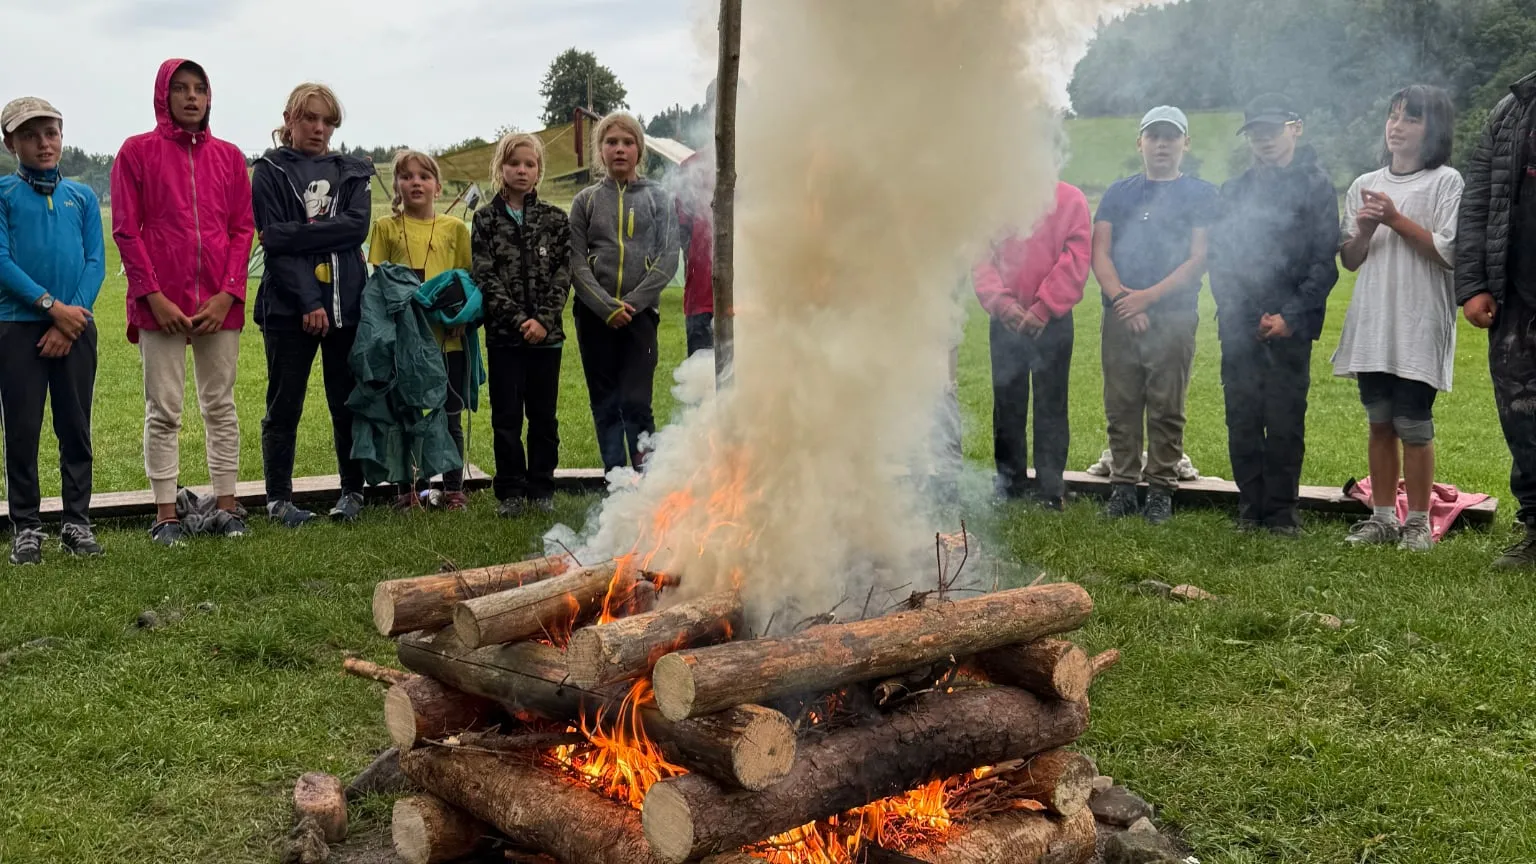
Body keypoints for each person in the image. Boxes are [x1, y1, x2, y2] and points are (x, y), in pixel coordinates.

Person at [112, 59, 256, 546]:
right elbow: (126, 231)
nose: (192, 97)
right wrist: (152, 297)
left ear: (210, 96)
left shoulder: (230, 158)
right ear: (163, 95)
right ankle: (165, 514)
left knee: (220, 405)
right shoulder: (136, 152)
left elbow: (242, 229)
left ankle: (228, 506)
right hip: (160, 305)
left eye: (200, 88)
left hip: (219, 303)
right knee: (164, 409)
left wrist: (228, 293)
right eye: (181, 88)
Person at [1335, 85, 1462, 552]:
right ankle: (1383, 517)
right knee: (1379, 422)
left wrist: (1394, 219)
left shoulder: (1446, 182)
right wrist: (1365, 229)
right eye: (1393, 116)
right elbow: (1351, 260)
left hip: (1419, 321)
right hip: (1375, 322)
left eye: (1411, 118)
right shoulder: (1365, 184)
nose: (1397, 126)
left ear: (1434, 128)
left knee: (1414, 423)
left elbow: (1448, 252)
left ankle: (1419, 523)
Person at [1209, 94, 1340, 536]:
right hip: (1240, 325)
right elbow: (1220, 261)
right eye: (1255, 133)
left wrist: (1289, 317)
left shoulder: (1317, 188)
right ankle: (1250, 508)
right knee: (1242, 417)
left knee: (1285, 420)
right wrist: (1248, 317)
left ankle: (1282, 512)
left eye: (1271, 130)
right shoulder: (1234, 190)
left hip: (1291, 328)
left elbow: (1324, 263)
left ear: (1295, 128)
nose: (1263, 139)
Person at [252, 83, 374, 526]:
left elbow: (355, 228)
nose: (318, 128)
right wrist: (308, 300)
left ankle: (353, 491)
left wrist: (293, 232)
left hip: (346, 306)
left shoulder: (352, 171)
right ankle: (278, 500)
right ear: (290, 119)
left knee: (347, 403)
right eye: (309, 118)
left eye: (326, 120)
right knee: (284, 406)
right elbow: (275, 246)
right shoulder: (269, 171)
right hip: (288, 310)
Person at [1092, 106, 1219, 525]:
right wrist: (1123, 300)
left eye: (1171, 137)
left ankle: (1161, 488)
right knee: (1121, 403)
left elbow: (1198, 258)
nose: (1162, 145)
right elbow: (1100, 253)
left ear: (1186, 143)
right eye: (1154, 136)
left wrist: (1147, 298)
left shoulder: (1201, 194)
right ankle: (1123, 486)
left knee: (1166, 404)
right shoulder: (1118, 193)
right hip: (1120, 313)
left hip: (1174, 315)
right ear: (1140, 143)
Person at [0, 97, 106, 564]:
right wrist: (51, 307)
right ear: (11, 144)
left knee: (75, 428)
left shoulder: (81, 197)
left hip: (76, 329)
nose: (44, 143)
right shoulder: (4, 194)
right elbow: (2, 261)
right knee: (22, 430)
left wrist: (71, 318)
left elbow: (95, 261)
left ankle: (76, 522)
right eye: (30, 135)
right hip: (18, 328)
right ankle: (26, 526)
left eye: (51, 133)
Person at [569, 112, 680, 473]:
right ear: (600, 150)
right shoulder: (585, 201)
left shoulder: (658, 198)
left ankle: (647, 479)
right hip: (593, 316)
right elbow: (575, 261)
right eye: (611, 142)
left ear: (639, 150)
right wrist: (605, 307)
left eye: (628, 142)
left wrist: (631, 304)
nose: (620, 149)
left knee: (636, 401)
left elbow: (668, 257)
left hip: (640, 316)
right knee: (604, 402)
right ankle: (615, 480)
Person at [1457, 68, 1536, 568]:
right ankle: (1535, 526)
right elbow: (1477, 203)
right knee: (1522, 417)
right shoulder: (1511, 111)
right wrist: (1473, 285)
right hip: (1516, 296)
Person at [972, 180, 1092, 510]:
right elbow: (980, 257)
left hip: (1052, 321)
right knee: (1007, 403)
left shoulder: (1070, 199)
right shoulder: (994, 198)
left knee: (1051, 403)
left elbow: (1076, 257)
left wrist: (1045, 307)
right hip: (1005, 320)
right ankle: (1010, 484)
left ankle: (1051, 488)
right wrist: (1002, 304)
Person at [366, 149, 472, 511]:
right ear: (396, 184)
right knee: (406, 416)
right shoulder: (385, 227)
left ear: (437, 187)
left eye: (424, 176)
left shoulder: (455, 229)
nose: (416, 182)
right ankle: (411, 490)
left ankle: (454, 489)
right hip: (405, 345)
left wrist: (460, 319)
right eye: (407, 176)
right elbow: (379, 282)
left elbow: (466, 281)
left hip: (447, 341)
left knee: (450, 416)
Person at [474, 132, 572, 516]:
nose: (522, 170)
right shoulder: (485, 220)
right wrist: (518, 321)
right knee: (507, 418)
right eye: (514, 163)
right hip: (505, 338)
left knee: (544, 418)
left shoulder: (555, 220)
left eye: (530, 164)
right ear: (501, 168)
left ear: (539, 170)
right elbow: (485, 277)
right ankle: (511, 490)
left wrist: (543, 320)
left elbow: (564, 273)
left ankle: (541, 488)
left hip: (547, 339)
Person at [676, 144, 715, 356]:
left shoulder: (761, 165)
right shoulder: (692, 167)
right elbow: (681, 229)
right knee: (701, 371)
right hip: (701, 298)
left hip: (752, 303)